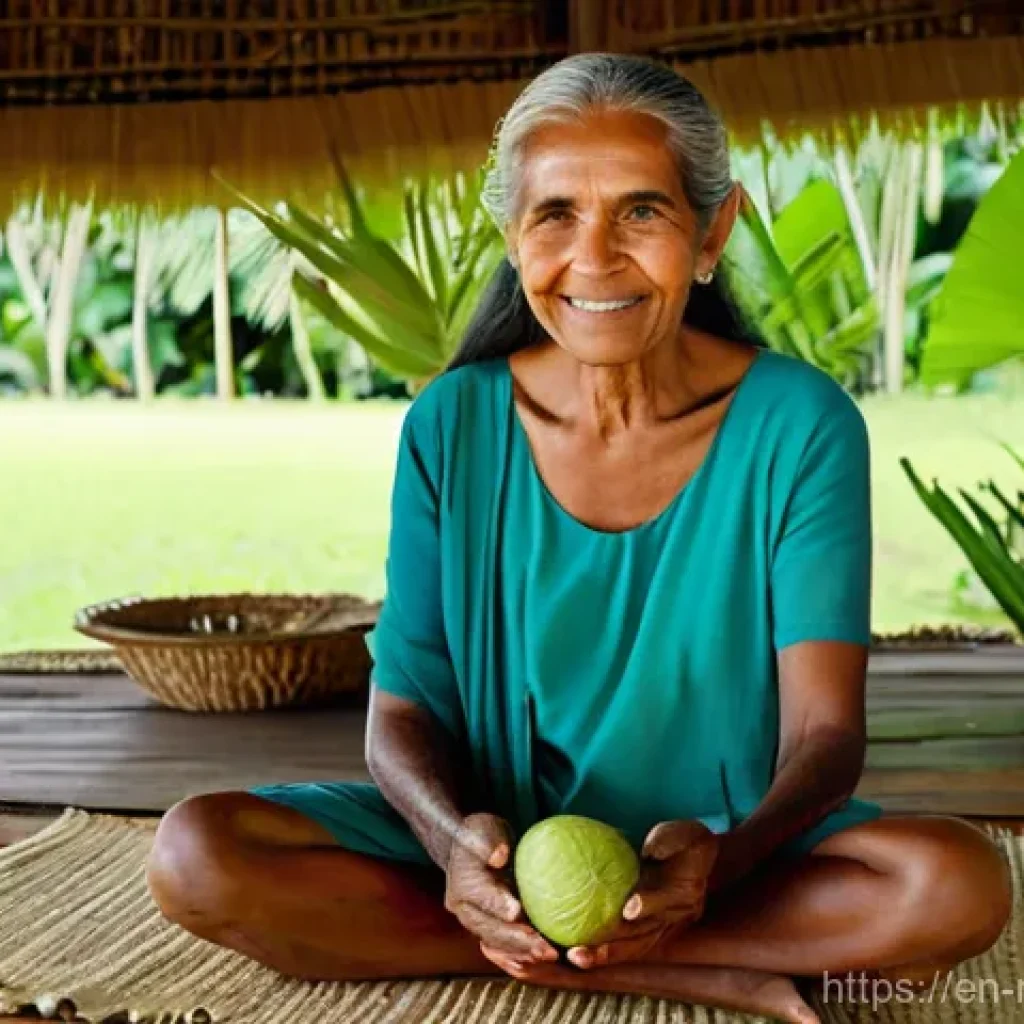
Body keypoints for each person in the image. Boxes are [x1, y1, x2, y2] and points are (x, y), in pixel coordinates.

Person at [145, 54, 1012, 1024]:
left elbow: (824, 735)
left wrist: (721, 860)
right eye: (555, 213)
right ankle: (684, 965)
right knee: (197, 852)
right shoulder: (450, 426)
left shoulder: (799, 426)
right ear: (514, 235)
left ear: (712, 230)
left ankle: (572, 952)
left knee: (956, 882)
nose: (593, 257)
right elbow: (396, 721)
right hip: (502, 866)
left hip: (726, 861)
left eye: (641, 211)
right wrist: (447, 847)